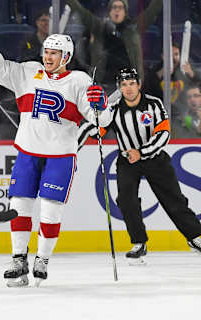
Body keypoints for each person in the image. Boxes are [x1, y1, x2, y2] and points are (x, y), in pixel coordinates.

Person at [0, 17, 113, 287]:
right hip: (28, 152)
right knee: (19, 206)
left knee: (50, 210)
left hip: (61, 156)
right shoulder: (28, 73)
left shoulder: (79, 81)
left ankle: (42, 259)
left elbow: (99, 120)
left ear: (66, 56)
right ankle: (18, 259)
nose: (48, 56)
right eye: (46, 51)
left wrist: (101, 106)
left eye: (54, 53)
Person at [78, 68, 201, 264]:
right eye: (124, 84)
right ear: (120, 87)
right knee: (126, 200)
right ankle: (139, 242)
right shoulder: (114, 108)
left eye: (131, 83)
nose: (128, 88)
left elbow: (163, 133)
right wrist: (70, 148)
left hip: (155, 158)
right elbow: (93, 130)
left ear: (139, 84)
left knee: (174, 200)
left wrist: (142, 152)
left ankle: (195, 237)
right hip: (127, 160)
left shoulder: (154, 104)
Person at [65, 0, 162, 93]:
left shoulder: (134, 29)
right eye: (114, 7)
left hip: (129, 83)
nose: (117, 10)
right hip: (105, 84)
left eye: (120, 7)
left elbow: (152, 10)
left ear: (125, 11)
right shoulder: (99, 27)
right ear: (109, 11)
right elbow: (80, 10)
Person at [144, 42, 201, 121]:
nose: (173, 58)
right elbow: (147, 92)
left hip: (183, 116)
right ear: (162, 56)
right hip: (160, 115)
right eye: (169, 55)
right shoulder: (154, 72)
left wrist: (192, 75)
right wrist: (160, 73)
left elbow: (197, 89)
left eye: (176, 54)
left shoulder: (186, 70)